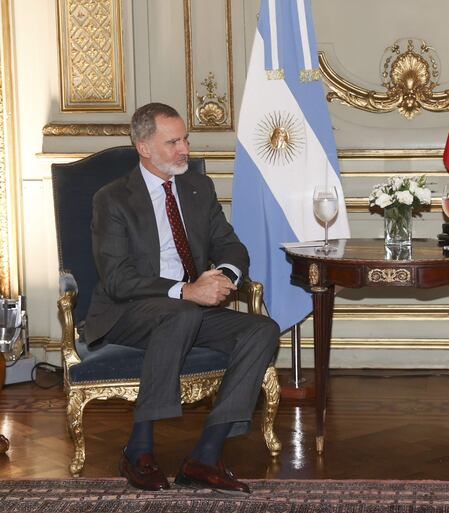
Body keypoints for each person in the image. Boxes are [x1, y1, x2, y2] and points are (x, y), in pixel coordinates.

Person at [85, 102, 280, 494]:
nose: (184, 149)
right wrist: (186, 291)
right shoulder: (113, 198)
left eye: (185, 138)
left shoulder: (197, 188)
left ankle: (205, 457)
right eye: (172, 142)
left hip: (188, 308)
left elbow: (231, 246)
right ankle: (138, 449)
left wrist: (223, 277)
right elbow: (118, 279)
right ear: (144, 147)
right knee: (181, 314)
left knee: (262, 330)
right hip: (129, 312)